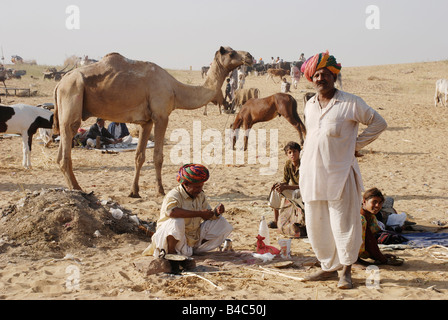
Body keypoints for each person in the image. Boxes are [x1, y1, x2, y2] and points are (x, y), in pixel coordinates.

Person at [299, 51, 387, 289]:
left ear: (334, 76)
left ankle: (346, 271)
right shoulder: (309, 105)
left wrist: (355, 145)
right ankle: (328, 267)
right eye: (316, 74)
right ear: (312, 78)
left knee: (344, 223)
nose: (320, 78)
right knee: (317, 224)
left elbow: (379, 123)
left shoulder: (350, 102)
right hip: (312, 174)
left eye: (325, 74)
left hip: (340, 174)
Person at [142, 164, 233, 257]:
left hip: (192, 239)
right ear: (186, 184)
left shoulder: (200, 195)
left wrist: (216, 212)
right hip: (171, 239)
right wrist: (200, 213)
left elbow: (208, 214)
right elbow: (172, 212)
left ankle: (197, 249)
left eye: (201, 186)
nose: (200, 190)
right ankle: (171, 253)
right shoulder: (174, 195)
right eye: (197, 187)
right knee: (177, 221)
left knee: (221, 222)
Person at [358, 188, 404, 266]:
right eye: (374, 202)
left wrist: (379, 256)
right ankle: (354, 260)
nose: (377, 206)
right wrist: (381, 258)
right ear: (364, 201)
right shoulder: (359, 217)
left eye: (380, 203)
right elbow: (368, 239)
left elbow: (371, 239)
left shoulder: (371, 217)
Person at [268, 141, 302, 229]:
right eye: (289, 152)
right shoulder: (288, 164)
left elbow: (304, 185)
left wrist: (286, 187)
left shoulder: (304, 164)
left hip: (304, 192)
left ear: (299, 152)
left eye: (294, 151)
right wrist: (279, 184)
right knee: (276, 189)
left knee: (296, 192)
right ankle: (276, 220)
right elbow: (285, 181)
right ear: (287, 154)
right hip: (294, 190)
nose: (292, 154)